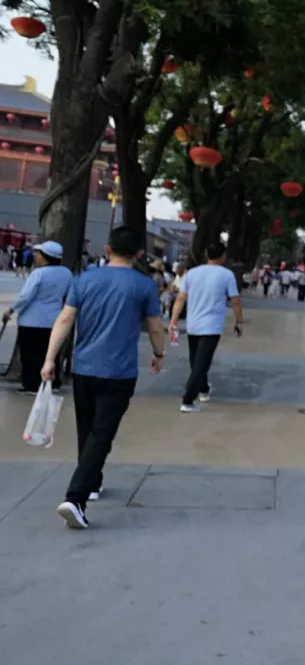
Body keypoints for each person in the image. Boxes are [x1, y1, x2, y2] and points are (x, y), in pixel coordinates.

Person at [42, 226, 166, 530]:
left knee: (87, 430)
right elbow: (155, 325)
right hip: (119, 372)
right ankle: (76, 498)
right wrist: (158, 353)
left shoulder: (84, 279)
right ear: (139, 254)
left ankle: (93, 482)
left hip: (84, 368)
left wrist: (49, 359)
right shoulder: (144, 285)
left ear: (108, 249)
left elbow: (65, 318)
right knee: (101, 435)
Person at [170, 241, 243, 413]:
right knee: (201, 363)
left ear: (206, 254)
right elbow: (235, 300)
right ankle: (188, 400)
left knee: (196, 361)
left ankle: (203, 390)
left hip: (193, 324)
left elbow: (180, 298)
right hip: (211, 326)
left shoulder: (191, 273)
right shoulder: (227, 275)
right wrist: (238, 321)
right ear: (223, 256)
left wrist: (173, 320)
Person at [3, 241, 73, 393]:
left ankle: (32, 384)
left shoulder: (38, 273)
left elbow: (25, 296)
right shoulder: (66, 273)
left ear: (45, 256)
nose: (36, 256)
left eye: (38, 253)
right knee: (50, 353)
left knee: (30, 354)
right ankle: (52, 383)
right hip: (53, 320)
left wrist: (11, 310)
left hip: (32, 320)